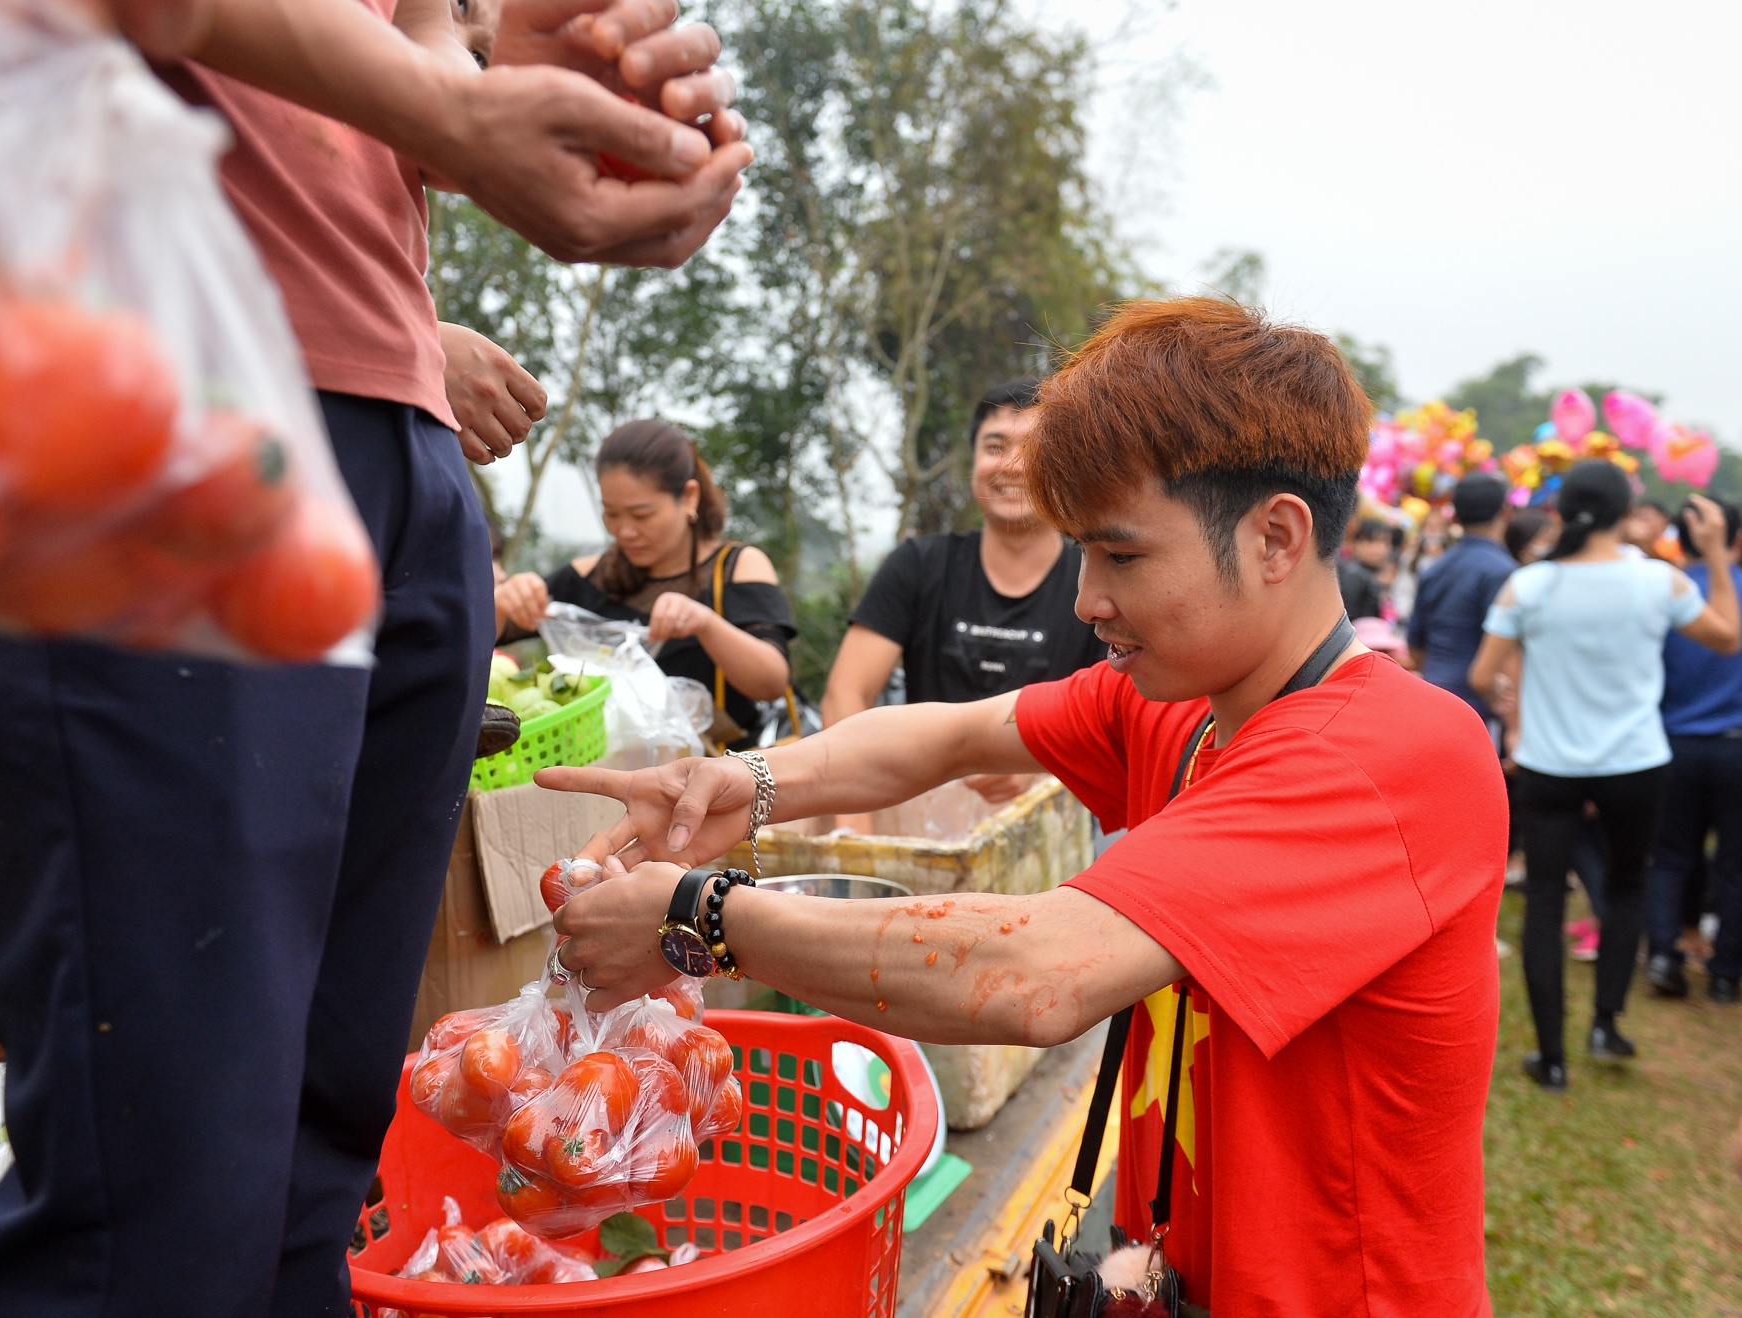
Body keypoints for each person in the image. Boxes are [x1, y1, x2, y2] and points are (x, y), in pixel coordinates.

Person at [0, 4, 754, 1316]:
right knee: (157, 1185)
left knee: (311, 1149)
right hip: (135, 381)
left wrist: (503, 81)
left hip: (398, 431)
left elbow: (407, 43)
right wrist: (456, 111)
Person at [542, 298, 1508, 1314]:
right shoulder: (1184, 706)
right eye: (1081, 552)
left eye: (1122, 556)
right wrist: (745, 785)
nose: (1088, 600)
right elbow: (952, 733)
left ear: (1275, 537)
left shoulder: (1389, 758)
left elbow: (1034, 976)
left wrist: (699, 917)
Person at [1470, 462, 1738, 1091]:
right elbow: (1728, 638)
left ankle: (1551, 1057)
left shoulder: (1529, 585)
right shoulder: (1658, 581)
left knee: (1544, 902)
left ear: (1562, 511)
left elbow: (1482, 676)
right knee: (1625, 886)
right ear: (1625, 513)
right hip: (1635, 762)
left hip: (1549, 764)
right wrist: (1716, 554)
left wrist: (1512, 699)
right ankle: (1606, 1024)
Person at [820, 378, 1104, 805]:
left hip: (1060, 819)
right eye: (995, 447)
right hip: (918, 809)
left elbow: (1118, 720)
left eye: (1035, 449)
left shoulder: (1099, 578)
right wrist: (853, 823)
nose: (1013, 466)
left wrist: (1042, 767)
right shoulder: (919, 565)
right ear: (973, 459)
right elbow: (846, 695)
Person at [500, 420, 794, 751]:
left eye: (641, 516)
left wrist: (706, 623)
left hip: (723, 770)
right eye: (611, 514)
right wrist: (505, 600)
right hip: (612, 773)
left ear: (689, 498)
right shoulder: (588, 577)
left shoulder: (736, 567)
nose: (625, 531)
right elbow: (489, 633)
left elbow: (771, 682)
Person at [1645, 496, 1742, 1003]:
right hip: (1735, 747)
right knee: (1734, 864)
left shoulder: (1668, 591)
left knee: (1670, 855)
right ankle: (1726, 972)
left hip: (1674, 742)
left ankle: (1664, 953)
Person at [1407, 473, 1516, 735]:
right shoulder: (1503, 572)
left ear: (1454, 517)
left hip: (1433, 697)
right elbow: (1509, 653)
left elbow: (1416, 646)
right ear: (1505, 512)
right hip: (1480, 709)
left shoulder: (1434, 570)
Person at [1337, 518, 1393, 619]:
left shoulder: (1377, 577)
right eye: (1371, 541)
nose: (1380, 549)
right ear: (1356, 543)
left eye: (1385, 542)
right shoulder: (1352, 577)